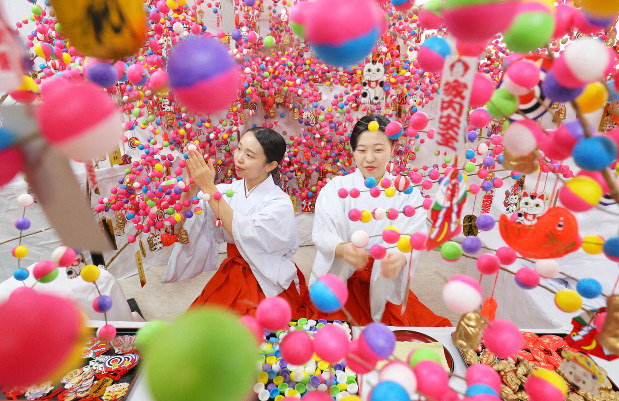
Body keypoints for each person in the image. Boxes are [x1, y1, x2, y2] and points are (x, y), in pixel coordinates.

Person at [311, 115, 451, 326]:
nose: (369, 158)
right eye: (361, 150)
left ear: (392, 148)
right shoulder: (336, 188)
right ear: (352, 151)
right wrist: (341, 248)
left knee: (401, 335)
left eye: (378, 150)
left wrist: (399, 256)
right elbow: (323, 231)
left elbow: (412, 234)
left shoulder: (406, 191)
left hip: (382, 279)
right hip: (341, 278)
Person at [163, 127, 312, 318]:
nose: (239, 158)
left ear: (270, 165)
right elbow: (189, 214)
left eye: (249, 155)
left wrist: (208, 187)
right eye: (239, 148)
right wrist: (192, 186)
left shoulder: (279, 203)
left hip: (266, 274)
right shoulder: (228, 191)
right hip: (233, 268)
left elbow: (246, 232)